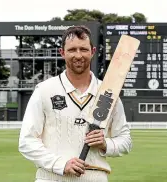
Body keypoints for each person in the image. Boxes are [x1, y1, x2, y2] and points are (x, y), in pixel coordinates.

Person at [18, 25, 132, 182]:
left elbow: (125, 140)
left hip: (95, 177)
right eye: (72, 50)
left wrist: (105, 144)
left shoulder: (108, 93)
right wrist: (60, 164)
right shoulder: (44, 90)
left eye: (83, 49)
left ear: (92, 52)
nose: (78, 55)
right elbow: (26, 141)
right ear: (62, 53)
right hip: (52, 177)